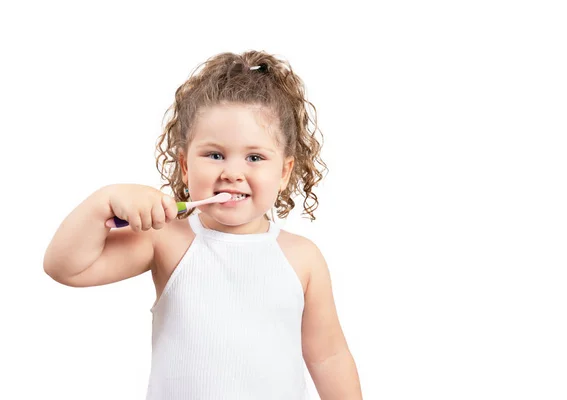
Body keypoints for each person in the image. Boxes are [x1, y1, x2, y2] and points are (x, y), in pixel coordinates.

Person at [44, 50, 362, 399]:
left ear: (284, 172)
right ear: (184, 166)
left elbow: (329, 356)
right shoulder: (166, 241)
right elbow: (66, 268)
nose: (232, 172)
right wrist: (102, 202)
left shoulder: (303, 258)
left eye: (254, 157)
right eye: (215, 155)